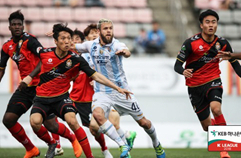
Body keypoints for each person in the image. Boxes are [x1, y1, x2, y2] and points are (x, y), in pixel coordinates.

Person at [22, 23, 132, 158]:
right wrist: (29, 77)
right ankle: (52, 143)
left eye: (69, 38)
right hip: (42, 98)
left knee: (75, 121)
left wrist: (117, 87)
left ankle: (93, 153)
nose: (67, 41)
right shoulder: (45, 53)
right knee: (35, 122)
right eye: (63, 39)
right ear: (55, 41)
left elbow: (95, 75)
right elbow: (32, 50)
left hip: (62, 97)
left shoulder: (76, 59)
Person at [75, 19, 166, 158]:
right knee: (97, 116)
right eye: (105, 28)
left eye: (110, 28)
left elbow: (127, 51)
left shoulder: (117, 44)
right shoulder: (90, 45)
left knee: (144, 123)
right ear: (99, 31)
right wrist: (59, 39)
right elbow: (74, 47)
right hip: (102, 92)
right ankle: (122, 144)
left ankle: (157, 144)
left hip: (122, 92)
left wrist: (124, 52)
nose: (109, 31)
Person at [0, 10, 75, 158]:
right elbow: (1, 69)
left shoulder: (30, 40)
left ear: (23, 26)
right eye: (13, 24)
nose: (16, 27)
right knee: (8, 120)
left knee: (50, 125)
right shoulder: (6, 46)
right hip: (25, 88)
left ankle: (72, 138)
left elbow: (44, 59)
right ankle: (33, 148)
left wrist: (29, 76)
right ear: (9, 27)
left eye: (19, 24)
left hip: (41, 87)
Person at [174, 9, 241, 158]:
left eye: (214, 22)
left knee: (216, 109)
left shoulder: (223, 43)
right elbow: (177, 65)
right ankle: (220, 130)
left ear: (217, 24)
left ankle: (224, 150)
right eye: (207, 22)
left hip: (213, 81)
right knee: (206, 127)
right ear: (201, 25)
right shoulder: (191, 43)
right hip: (194, 87)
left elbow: (234, 62)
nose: (211, 25)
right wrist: (183, 71)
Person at [70, 24, 136, 158]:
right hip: (91, 96)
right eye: (91, 34)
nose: (95, 36)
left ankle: (123, 147)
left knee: (112, 121)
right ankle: (123, 140)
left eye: (96, 33)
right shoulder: (84, 54)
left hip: (107, 92)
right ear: (86, 40)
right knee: (94, 128)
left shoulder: (104, 50)